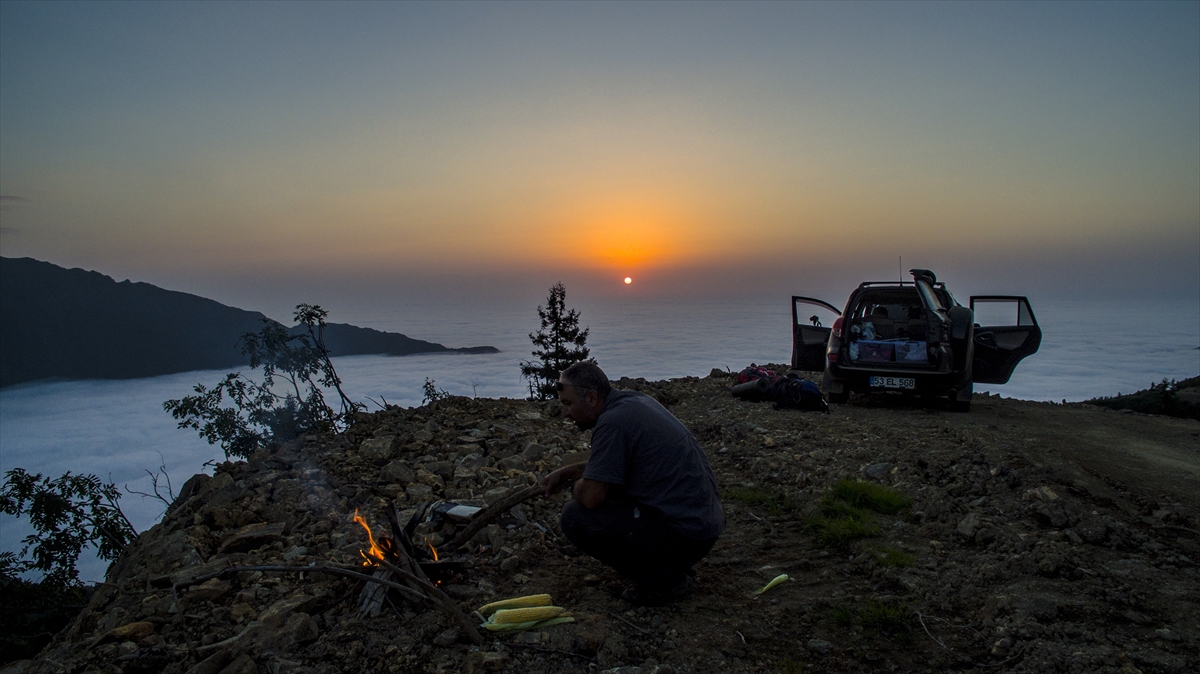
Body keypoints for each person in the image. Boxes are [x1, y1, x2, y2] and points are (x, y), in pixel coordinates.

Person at [542, 361, 725, 605]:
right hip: (702, 525)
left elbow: (590, 496)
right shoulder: (631, 401)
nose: (564, 413)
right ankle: (671, 564)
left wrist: (577, 486)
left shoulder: (612, 424)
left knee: (574, 517)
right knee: (615, 496)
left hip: (687, 533)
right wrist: (568, 472)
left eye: (567, 404)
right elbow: (613, 464)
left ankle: (664, 581)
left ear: (592, 398)